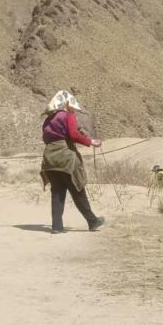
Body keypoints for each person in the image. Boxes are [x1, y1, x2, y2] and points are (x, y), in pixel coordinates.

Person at [40, 90, 104, 234]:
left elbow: (48, 138)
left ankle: (57, 227)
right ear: (66, 104)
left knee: (57, 192)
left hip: (49, 159)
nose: (73, 109)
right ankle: (92, 221)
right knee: (77, 189)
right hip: (65, 157)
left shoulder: (48, 120)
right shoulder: (68, 115)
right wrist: (90, 141)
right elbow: (74, 135)